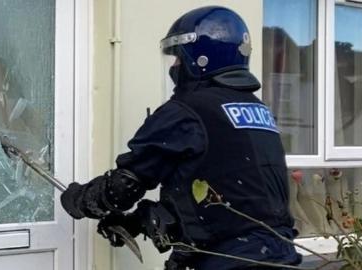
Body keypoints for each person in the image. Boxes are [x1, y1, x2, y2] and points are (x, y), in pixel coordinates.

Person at [60, 6, 302, 270]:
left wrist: (79, 199)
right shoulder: (258, 112)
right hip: (278, 256)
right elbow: (232, 189)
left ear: (200, 58)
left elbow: (124, 187)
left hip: (229, 262)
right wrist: (139, 219)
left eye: (178, 58)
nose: (174, 67)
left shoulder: (187, 111)